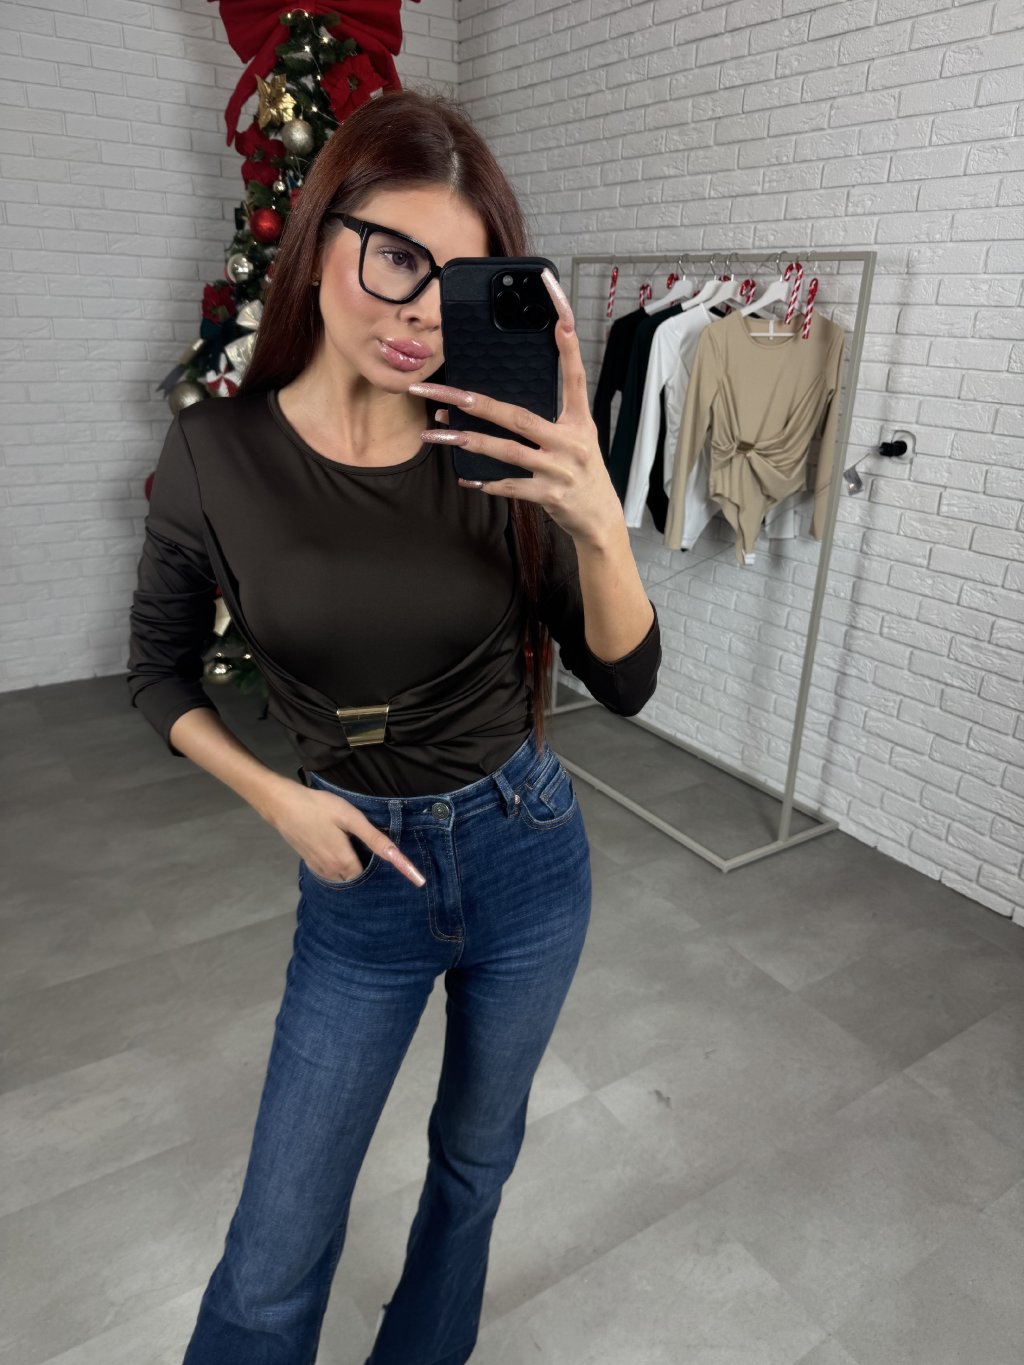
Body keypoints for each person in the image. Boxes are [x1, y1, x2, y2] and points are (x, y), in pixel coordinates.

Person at [126, 88, 661, 1365]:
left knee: (474, 1168)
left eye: (458, 280)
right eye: (397, 258)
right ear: (321, 240)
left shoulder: (494, 448)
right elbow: (156, 674)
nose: (422, 310)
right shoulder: (217, 452)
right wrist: (282, 800)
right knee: (274, 1253)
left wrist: (596, 521)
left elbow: (629, 683)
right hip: (355, 874)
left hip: (527, 850)